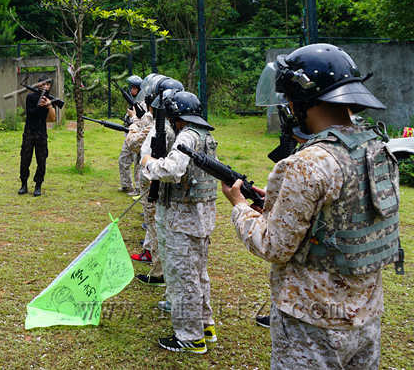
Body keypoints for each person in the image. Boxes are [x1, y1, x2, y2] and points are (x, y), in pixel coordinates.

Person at [222, 44, 399, 369]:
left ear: (300, 102)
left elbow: (272, 246)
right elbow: (344, 220)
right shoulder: (378, 149)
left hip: (312, 325)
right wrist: (278, 206)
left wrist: (239, 206)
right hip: (366, 318)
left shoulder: (306, 164)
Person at [141, 90, 217, 354]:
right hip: (201, 216)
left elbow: (173, 170)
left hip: (182, 218)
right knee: (198, 275)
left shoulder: (186, 135)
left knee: (183, 278)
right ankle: (205, 325)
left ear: (177, 117)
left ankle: (190, 337)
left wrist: (149, 164)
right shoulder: (206, 136)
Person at [132, 77, 183, 287]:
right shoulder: (181, 126)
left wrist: (134, 124)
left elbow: (136, 144)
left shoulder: (162, 127)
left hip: (156, 181)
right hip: (169, 184)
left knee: (156, 226)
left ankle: (159, 272)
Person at [18, 77, 56, 197]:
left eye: (47, 84)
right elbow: (31, 113)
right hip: (29, 132)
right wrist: (40, 105)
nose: (45, 86)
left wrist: (49, 105)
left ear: (49, 86)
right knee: (25, 159)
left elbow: (52, 119)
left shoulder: (49, 99)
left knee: (41, 160)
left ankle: (38, 185)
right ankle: (23, 185)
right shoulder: (30, 97)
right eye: (43, 84)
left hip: (41, 134)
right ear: (39, 85)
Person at [118, 75, 143, 194]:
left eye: (134, 88)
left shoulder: (142, 103)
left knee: (137, 163)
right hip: (129, 134)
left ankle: (138, 188)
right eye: (131, 88)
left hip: (138, 136)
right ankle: (126, 185)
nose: (132, 90)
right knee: (123, 159)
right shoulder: (132, 102)